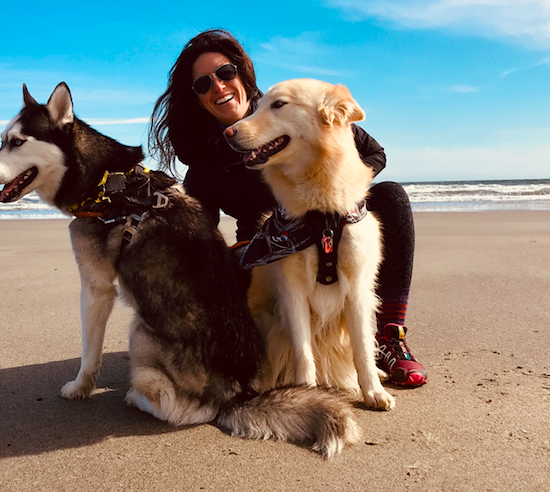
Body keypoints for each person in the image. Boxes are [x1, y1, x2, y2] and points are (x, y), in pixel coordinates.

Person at [148, 29, 427, 388]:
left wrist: (334, 188)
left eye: (225, 73)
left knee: (390, 197)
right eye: (203, 84)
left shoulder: (291, 109)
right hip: (268, 243)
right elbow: (200, 233)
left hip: (333, 220)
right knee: (229, 271)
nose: (218, 86)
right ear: (198, 99)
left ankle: (390, 335)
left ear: (243, 75)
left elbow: (375, 152)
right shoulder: (208, 158)